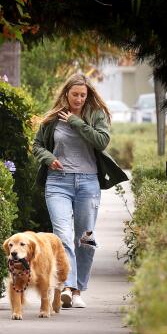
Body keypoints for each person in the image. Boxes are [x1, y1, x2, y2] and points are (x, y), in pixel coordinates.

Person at [31, 72, 123, 309]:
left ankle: (78, 289)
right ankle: (66, 286)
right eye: (75, 94)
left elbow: (102, 141)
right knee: (62, 235)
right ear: (66, 93)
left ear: (88, 95)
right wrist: (48, 158)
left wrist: (76, 122)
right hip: (58, 183)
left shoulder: (96, 115)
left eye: (83, 95)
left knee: (85, 238)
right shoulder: (53, 119)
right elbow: (38, 145)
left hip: (88, 184)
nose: (79, 99)